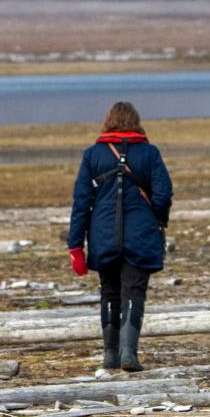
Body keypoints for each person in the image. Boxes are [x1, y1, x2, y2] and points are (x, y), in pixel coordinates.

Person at [67, 101, 173, 372]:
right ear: (135, 121)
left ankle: (110, 355)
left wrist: (75, 246)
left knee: (109, 293)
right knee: (133, 293)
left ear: (108, 121)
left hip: (102, 235)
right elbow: (163, 194)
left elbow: (81, 202)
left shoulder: (93, 155)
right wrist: (157, 218)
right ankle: (129, 354)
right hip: (141, 235)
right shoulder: (149, 153)